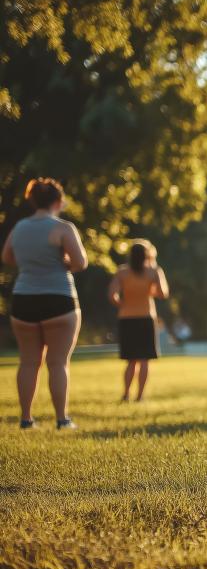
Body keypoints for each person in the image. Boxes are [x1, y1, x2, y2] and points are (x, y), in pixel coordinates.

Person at [1, 178, 88, 430]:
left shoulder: (19, 228)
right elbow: (80, 262)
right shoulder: (63, 227)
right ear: (58, 202)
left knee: (28, 362)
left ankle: (26, 419)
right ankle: (62, 419)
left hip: (23, 299)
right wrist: (59, 264)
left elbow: (6, 257)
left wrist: (31, 265)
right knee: (58, 362)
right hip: (58, 298)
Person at [108, 240, 169, 402]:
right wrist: (150, 290)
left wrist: (123, 304)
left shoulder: (122, 272)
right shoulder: (153, 271)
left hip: (126, 318)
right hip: (146, 317)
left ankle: (126, 394)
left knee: (131, 360)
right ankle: (140, 396)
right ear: (147, 255)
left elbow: (112, 295)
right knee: (144, 360)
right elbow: (163, 293)